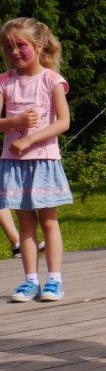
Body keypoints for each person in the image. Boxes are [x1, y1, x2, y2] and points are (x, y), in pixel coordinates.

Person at [0, 17, 72, 302]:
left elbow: (63, 122)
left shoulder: (51, 80)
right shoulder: (5, 82)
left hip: (43, 160)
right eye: (7, 47)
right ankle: (30, 281)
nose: (14, 52)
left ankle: (54, 280)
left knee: (49, 221)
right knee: (26, 224)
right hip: (14, 163)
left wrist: (29, 138)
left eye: (20, 45)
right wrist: (14, 121)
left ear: (39, 46)